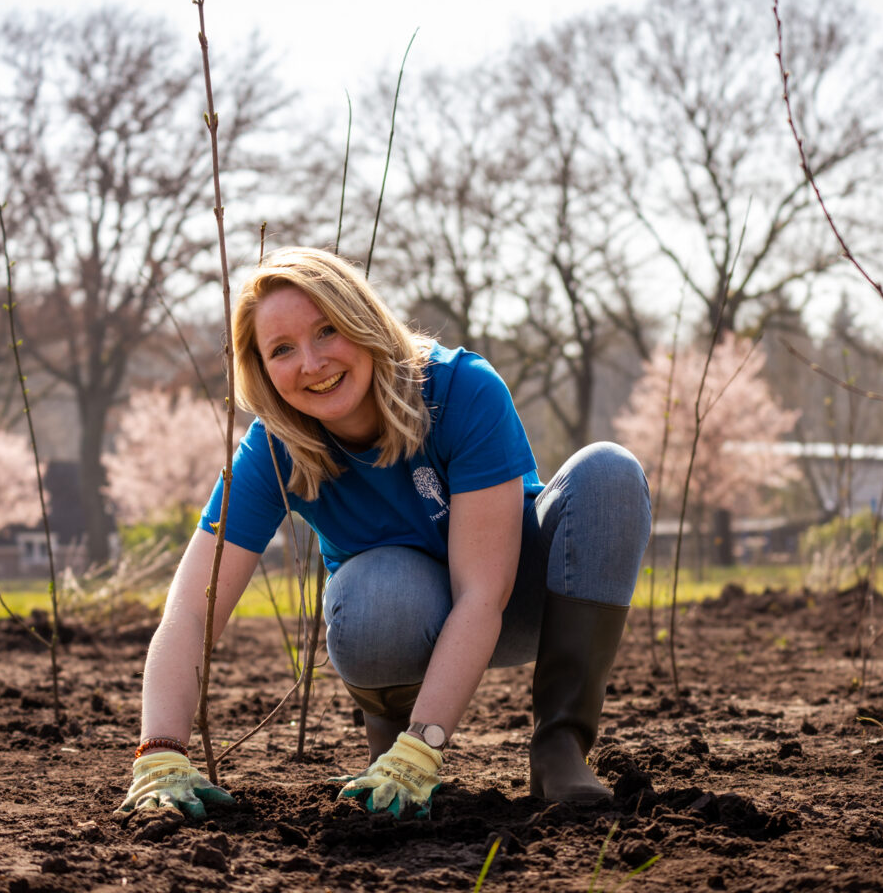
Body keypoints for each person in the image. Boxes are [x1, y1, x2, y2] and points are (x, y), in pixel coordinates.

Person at [117, 248, 650, 820]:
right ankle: (387, 744)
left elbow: (482, 595)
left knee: (608, 472)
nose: (313, 362)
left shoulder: (461, 389)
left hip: (521, 599)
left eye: (327, 330)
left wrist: (427, 747)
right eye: (282, 350)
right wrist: (161, 750)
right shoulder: (272, 450)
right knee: (376, 587)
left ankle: (558, 747)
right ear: (263, 371)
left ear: (363, 321)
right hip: (396, 619)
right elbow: (192, 611)